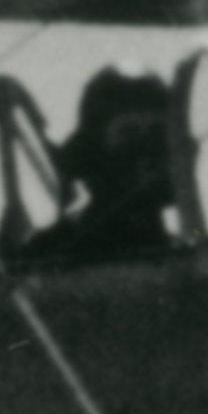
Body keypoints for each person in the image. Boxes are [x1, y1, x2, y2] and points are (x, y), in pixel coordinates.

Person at [25, 67, 181, 265]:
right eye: (128, 134)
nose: (146, 148)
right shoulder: (46, 253)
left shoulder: (179, 254)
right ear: (92, 150)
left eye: (158, 133)